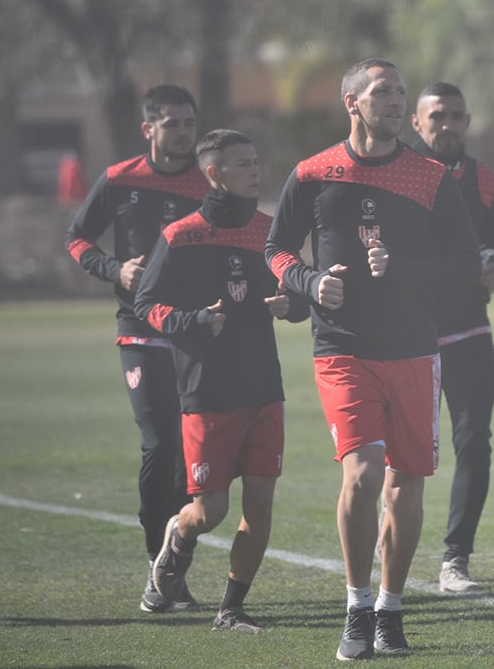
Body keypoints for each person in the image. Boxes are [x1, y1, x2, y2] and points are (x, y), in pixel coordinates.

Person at [266, 58, 480, 659]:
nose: (394, 102)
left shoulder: (431, 176)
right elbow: (276, 248)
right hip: (344, 347)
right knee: (361, 474)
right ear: (351, 103)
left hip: (414, 348)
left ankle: (391, 607)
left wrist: (404, 270)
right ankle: (357, 606)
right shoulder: (312, 173)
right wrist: (308, 283)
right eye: (382, 92)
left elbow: (467, 264)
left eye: (400, 93)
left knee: (403, 484)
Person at [134, 129, 309, 633]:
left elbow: (300, 291)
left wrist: (292, 305)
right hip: (207, 390)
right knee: (209, 510)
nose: (255, 170)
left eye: (256, 161)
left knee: (260, 501)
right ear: (214, 173)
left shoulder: (269, 233)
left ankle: (230, 609)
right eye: (242, 164)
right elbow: (145, 305)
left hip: (263, 387)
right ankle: (178, 537)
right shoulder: (180, 236)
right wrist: (190, 320)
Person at [65, 84, 208, 613]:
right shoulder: (120, 180)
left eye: (189, 124)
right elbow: (77, 238)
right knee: (159, 445)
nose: (183, 133)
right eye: (172, 124)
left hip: (191, 332)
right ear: (149, 129)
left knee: (190, 457)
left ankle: (172, 570)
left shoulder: (206, 182)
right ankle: (158, 561)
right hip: (140, 330)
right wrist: (114, 268)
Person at [408, 81, 494, 594]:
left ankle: (455, 560)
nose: (446, 125)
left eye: (455, 116)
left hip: (470, 329)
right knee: (402, 455)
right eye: (437, 116)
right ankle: (388, 546)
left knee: (474, 443)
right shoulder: (398, 174)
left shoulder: (484, 179)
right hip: (409, 334)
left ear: (467, 121)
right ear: (416, 123)